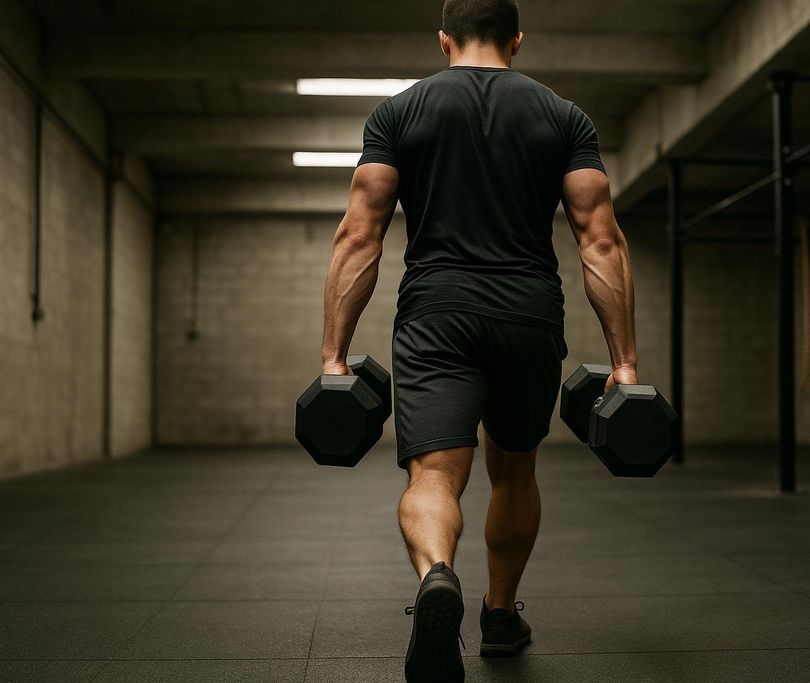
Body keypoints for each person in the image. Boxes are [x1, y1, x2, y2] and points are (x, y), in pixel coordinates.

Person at [318, 0, 638, 679]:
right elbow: (600, 240)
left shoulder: (399, 113)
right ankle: (498, 613)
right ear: (517, 40)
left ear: (443, 39)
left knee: (434, 473)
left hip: (436, 311)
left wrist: (333, 355)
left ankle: (437, 574)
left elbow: (359, 235)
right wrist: (625, 363)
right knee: (515, 469)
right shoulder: (564, 116)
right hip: (529, 313)